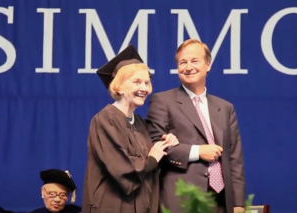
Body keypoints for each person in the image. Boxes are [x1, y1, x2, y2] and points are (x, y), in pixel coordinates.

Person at [145, 39, 246, 213]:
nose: (188, 67)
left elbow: (234, 158)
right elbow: (155, 146)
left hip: (220, 202)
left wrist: (238, 203)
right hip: (181, 199)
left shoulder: (225, 108)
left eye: (194, 61)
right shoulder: (162, 101)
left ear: (208, 65)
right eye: (182, 62)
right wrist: (197, 151)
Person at [82, 45, 178, 213]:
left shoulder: (139, 123)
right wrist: (152, 159)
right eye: (136, 82)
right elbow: (121, 167)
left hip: (141, 204)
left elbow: (150, 163)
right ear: (118, 86)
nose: (144, 88)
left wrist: (165, 145)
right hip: (112, 205)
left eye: (147, 82)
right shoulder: (105, 119)